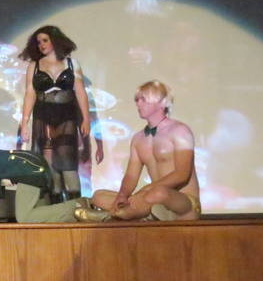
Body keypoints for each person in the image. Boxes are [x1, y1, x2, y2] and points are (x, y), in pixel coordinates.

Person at [76, 80, 201, 222]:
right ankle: (139, 213)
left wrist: (145, 191)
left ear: (162, 103)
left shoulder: (180, 131)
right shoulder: (138, 138)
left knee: (159, 193)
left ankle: (109, 216)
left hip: (183, 202)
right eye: (137, 100)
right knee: (99, 196)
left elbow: (182, 175)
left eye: (144, 100)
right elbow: (131, 176)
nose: (138, 104)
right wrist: (122, 195)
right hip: (151, 197)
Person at [19, 25, 95, 202]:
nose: (41, 45)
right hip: (43, 116)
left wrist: (86, 118)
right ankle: (57, 205)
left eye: (45, 40)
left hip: (66, 116)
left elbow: (80, 92)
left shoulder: (71, 63)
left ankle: (77, 205)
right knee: (50, 164)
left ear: (55, 40)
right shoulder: (34, 66)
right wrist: (24, 122)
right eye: (39, 42)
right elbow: (30, 93)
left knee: (67, 162)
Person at [0, 141, 88, 223]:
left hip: (28, 171)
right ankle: (83, 213)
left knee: (25, 217)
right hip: (32, 166)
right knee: (42, 220)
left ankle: (77, 205)